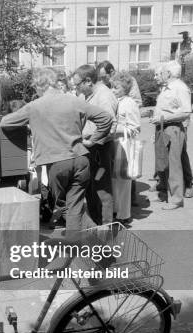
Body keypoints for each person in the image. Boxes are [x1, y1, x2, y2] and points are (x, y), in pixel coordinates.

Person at [0, 67, 113, 231]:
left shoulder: (33, 107)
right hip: (81, 159)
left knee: (66, 207)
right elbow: (105, 118)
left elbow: (5, 122)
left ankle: (79, 245)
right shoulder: (74, 100)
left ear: (39, 85)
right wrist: (93, 140)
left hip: (57, 164)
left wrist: (32, 126)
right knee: (74, 206)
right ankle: (97, 234)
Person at [72, 65, 117, 226]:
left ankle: (105, 227)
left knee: (102, 188)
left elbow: (110, 125)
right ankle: (96, 224)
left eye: (77, 85)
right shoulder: (88, 95)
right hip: (90, 147)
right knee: (91, 187)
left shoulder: (104, 96)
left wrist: (93, 141)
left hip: (100, 148)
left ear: (88, 81)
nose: (76, 88)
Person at [149, 60, 192, 210]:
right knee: (163, 162)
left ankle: (176, 199)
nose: (160, 74)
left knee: (174, 164)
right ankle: (164, 194)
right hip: (162, 127)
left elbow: (186, 112)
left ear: (168, 73)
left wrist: (164, 118)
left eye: (162, 72)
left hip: (172, 128)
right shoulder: (167, 87)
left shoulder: (180, 88)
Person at [110, 72, 141, 224]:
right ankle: (117, 210)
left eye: (116, 87)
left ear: (125, 88)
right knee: (115, 180)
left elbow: (135, 128)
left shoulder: (129, 103)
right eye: (112, 87)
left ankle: (124, 214)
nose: (113, 90)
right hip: (114, 144)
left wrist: (117, 129)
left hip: (124, 144)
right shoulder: (115, 101)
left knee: (123, 181)